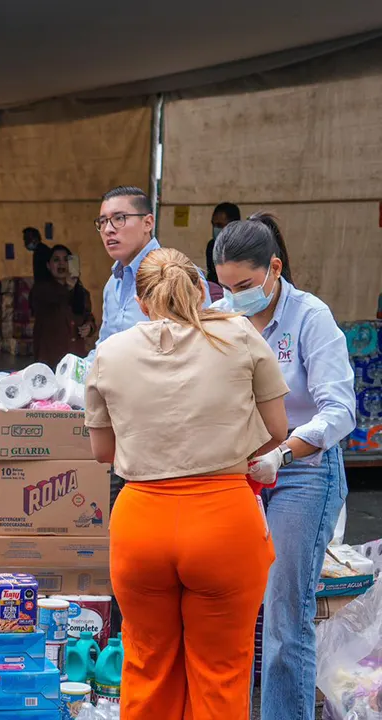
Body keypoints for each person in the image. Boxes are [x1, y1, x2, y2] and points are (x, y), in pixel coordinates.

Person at [85, 247, 289, 720]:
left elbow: (102, 452)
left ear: (141, 303)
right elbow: (278, 430)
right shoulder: (239, 334)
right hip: (223, 519)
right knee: (221, 671)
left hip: (142, 520)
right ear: (202, 291)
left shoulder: (111, 352)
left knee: (147, 663)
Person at [212, 213, 355, 720]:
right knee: (227, 607)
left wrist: (284, 453)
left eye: (244, 286)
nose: (234, 299)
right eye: (225, 288)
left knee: (283, 615)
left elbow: (341, 410)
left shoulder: (311, 317)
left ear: (274, 268)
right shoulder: (220, 316)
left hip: (302, 472)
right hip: (238, 468)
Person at [89, 186, 211, 507]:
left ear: (148, 222)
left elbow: (201, 351)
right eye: (102, 222)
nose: (109, 229)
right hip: (122, 432)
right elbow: (104, 348)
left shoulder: (177, 276)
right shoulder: (113, 284)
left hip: (168, 439)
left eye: (119, 218)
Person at [29, 244, 95, 366]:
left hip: (76, 359)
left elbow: (88, 316)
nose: (61, 264)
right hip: (50, 359)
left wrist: (89, 327)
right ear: (48, 266)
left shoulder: (81, 292)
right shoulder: (40, 290)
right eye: (56, 260)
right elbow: (47, 304)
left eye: (66, 260)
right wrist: (68, 288)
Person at [206, 202, 241, 283]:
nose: (215, 229)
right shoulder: (212, 246)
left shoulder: (245, 247)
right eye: (213, 225)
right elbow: (212, 275)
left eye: (219, 225)